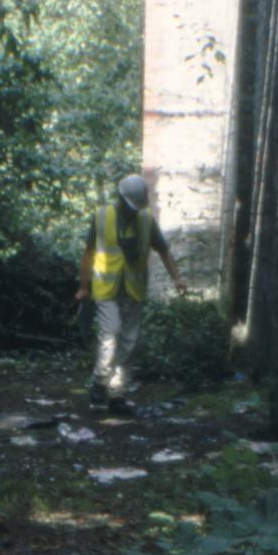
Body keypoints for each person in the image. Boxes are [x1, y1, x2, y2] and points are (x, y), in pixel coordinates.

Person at [78, 169, 184, 411]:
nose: (133, 210)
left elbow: (164, 250)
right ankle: (99, 381)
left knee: (129, 342)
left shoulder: (147, 220)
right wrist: (83, 287)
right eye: (130, 206)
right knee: (111, 332)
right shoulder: (102, 216)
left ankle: (117, 395)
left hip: (133, 289)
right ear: (120, 198)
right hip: (106, 288)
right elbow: (88, 253)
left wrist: (177, 278)